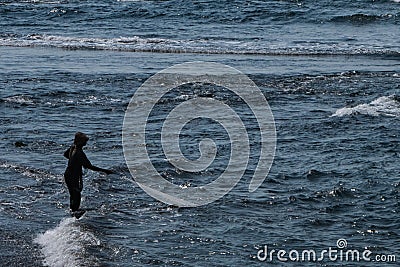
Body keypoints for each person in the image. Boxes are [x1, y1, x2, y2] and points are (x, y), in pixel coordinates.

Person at [64, 132, 113, 213]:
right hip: (73, 176)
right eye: (84, 141)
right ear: (80, 142)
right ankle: (75, 215)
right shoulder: (80, 153)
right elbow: (90, 166)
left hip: (68, 174)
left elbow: (66, 155)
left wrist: (74, 161)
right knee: (76, 196)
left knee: (72, 195)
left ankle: (72, 212)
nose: (86, 143)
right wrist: (106, 171)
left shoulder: (73, 147)